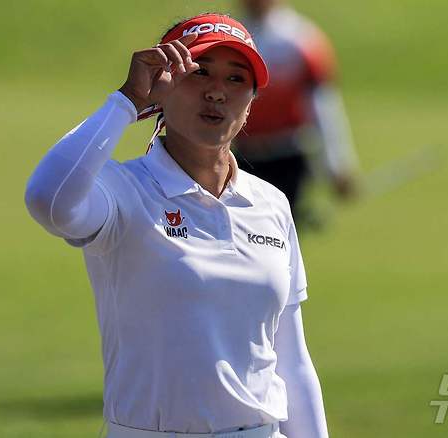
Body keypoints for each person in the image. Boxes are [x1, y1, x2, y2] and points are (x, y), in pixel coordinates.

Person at [24, 13, 329, 438]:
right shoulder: (122, 190)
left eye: (236, 79)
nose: (217, 92)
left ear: (252, 100)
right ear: (162, 87)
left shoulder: (271, 203)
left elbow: (292, 361)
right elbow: (47, 199)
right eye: (199, 73)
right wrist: (126, 102)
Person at [233, 0, 359, 223]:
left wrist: (337, 165)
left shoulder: (302, 40)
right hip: (238, 157)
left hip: (287, 158)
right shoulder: (229, 36)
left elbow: (323, 109)